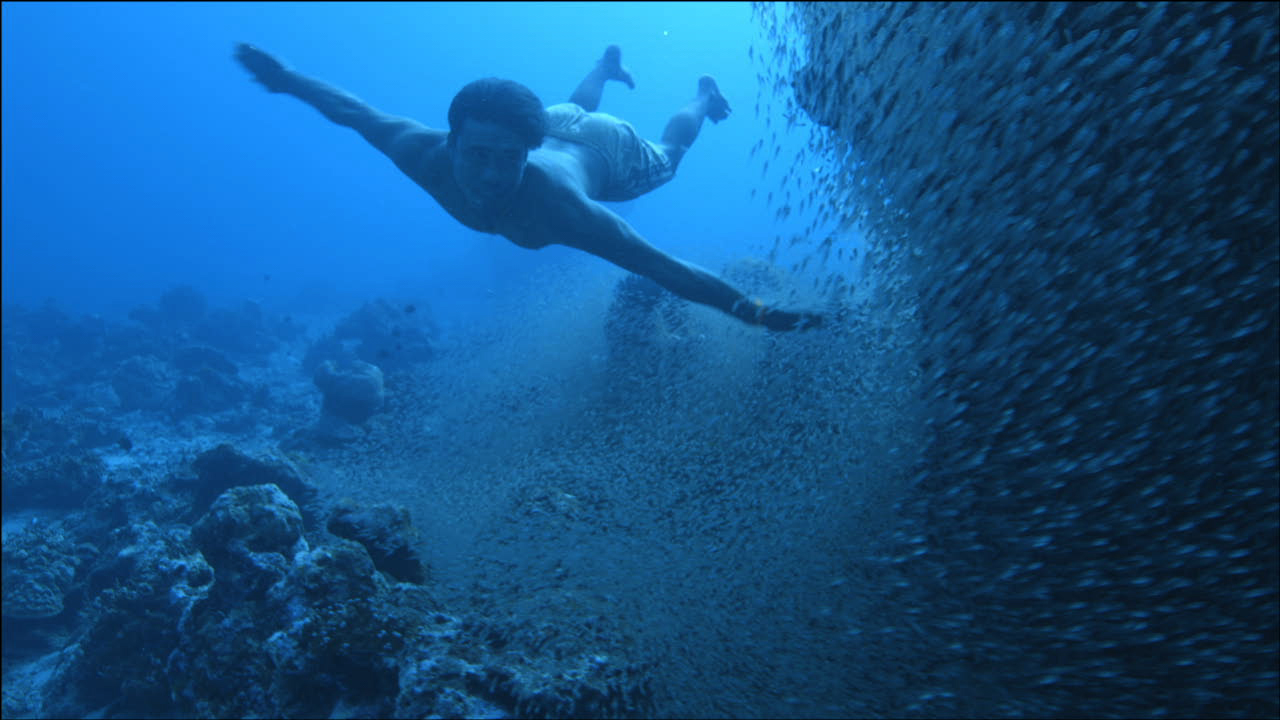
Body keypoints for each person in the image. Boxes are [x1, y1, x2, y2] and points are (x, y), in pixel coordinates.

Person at [233, 43, 823, 331]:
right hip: (555, 120)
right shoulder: (420, 150)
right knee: (571, 107)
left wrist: (758, 314)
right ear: (451, 139)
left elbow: (665, 268)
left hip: (606, 151)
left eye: (508, 159)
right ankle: (606, 67)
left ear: (527, 150)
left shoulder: (565, 211)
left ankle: (703, 95)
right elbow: (350, 109)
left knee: (667, 158)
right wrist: (285, 80)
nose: (491, 175)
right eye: (478, 155)